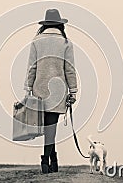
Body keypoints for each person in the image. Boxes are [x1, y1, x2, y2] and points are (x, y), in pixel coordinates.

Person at [24, 9, 78, 174]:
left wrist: (27, 89)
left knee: (49, 128)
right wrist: (73, 91)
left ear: (45, 25)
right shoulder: (65, 43)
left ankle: (52, 160)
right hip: (58, 92)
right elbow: (69, 69)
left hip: (38, 91)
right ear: (60, 25)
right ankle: (46, 160)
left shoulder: (36, 41)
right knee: (51, 127)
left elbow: (32, 67)